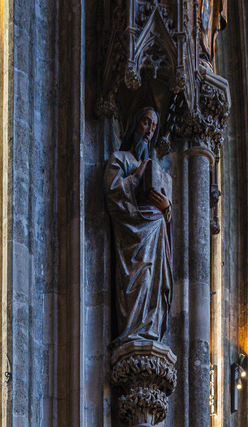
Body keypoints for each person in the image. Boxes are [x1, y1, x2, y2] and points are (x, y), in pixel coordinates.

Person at [104, 107, 172, 349]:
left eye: (153, 128)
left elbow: (167, 210)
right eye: (145, 123)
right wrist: (135, 178)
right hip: (131, 240)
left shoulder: (158, 171)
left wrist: (166, 209)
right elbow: (113, 195)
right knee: (141, 281)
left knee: (153, 283)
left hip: (156, 236)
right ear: (135, 125)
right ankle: (132, 332)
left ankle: (151, 331)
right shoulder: (120, 159)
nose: (149, 131)